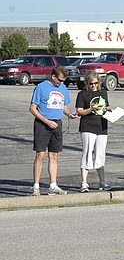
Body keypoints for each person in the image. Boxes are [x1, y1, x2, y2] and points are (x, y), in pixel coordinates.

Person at [29, 65, 78, 196]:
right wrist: (46, 121)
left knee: (54, 155)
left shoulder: (62, 88)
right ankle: (36, 186)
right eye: (60, 80)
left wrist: (69, 114)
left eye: (63, 81)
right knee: (40, 155)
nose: (61, 83)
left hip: (57, 124)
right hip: (42, 124)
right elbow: (33, 108)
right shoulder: (41, 87)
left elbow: (63, 105)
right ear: (53, 76)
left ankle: (53, 185)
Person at [75, 71, 113, 192]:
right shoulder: (82, 94)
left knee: (100, 154)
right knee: (87, 153)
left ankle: (102, 181)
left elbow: (105, 107)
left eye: (96, 83)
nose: (94, 86)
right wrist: (91, 109)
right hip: (88, 126)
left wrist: (109, 110)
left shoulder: (103, 92)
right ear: (87, 83)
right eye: (91, 84)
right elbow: (79, 111)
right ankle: (84, 183)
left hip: (101, 126)